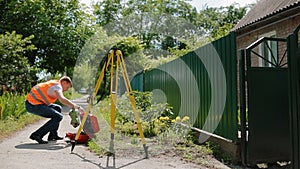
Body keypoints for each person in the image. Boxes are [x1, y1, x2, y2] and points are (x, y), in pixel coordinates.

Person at [25, 76, 84, 144]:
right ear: (64, 83)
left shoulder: (54, 83)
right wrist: (77, 107)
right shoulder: (58, 87)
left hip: (35, 103)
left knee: (58, 108)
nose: (66, 90)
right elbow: (62, 99)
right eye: (67, 87)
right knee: (58, 117)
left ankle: (53, 135)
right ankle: (37, 134)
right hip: (33, 105)